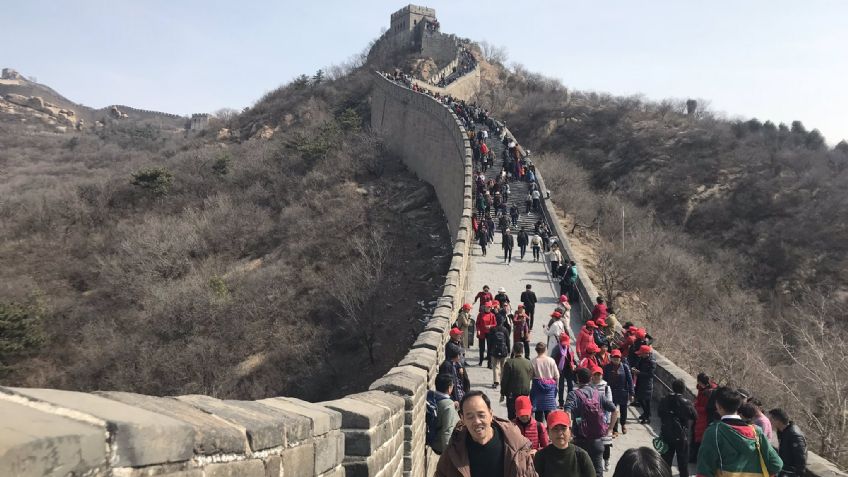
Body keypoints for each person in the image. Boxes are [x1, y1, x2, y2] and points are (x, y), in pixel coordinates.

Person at [435, 391, 538, 477]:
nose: (477, 421)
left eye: (481, 415)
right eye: (470, 417)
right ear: (462, 419)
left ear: (491, 414)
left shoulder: (515, 444)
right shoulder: (454, 453)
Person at [696, 387, 783, 477]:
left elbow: (704, 470)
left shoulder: (714, 432)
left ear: (718, 406)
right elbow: (776, 464)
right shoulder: (756, 431)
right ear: (738, 406)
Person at [565, 367, 619, 477]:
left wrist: (569, 431)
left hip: (580, 440)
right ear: (590, 379)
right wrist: (610, 429)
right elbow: (615, 411)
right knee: (597, 472)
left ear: (577, 379)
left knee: (579, 471)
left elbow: (567, 413)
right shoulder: (598, 394)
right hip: (597, 441)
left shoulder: (573, 395)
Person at [534, 410, 596, 477]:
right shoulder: (541, 456)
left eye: (563, 429)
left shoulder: (581, 456)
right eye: (555, 429)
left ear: (570, 431)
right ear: (548, 432)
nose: (560, 433)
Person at [657, 379, 697, 477]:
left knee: (666, 462)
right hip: (681, 436)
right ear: (683, 389)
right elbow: (695, 416)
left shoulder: (664, 399)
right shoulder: (686, 402)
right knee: (682, 463)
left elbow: (659, 413)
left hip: (666, 433)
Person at [768, 408, 807, 476]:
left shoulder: (794, 434)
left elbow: (801, 459)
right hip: (784, 470)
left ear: (778, 421)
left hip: (790, 473)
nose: (769, 422)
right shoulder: (782, 431)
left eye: (771, 419)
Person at [590, 366, 616, 472]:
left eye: (599, 374)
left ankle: (606, 460)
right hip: (592, 418)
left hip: (604, 419)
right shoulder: (589, 386)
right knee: (594, 442)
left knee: (606, 442)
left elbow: (610, 404)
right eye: (595, 374)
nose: (597, 376)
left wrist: (608, 421)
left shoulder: (606, 387)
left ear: (602, 375)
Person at [603, 349, 634, 435]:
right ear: (611, 358)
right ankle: (614, 428)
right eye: (614, 358)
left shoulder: (625, 367)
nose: (616, 360)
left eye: (618, 358)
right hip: (612, 392)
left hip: (623, 392)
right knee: (614, 410)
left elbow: (630, 380)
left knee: (624, 410)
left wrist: (631, 393)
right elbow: (604, 380)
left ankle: (623, 424)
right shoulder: (606, 367)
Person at [428, 373, 460, 455]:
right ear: (449, 388)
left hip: (432, 438)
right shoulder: (448, 406)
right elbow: (447, 431)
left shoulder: (431, 395)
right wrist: (447, 455)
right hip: (440, 444)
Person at [501, 342, 534, 420]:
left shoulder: (509, 362)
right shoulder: (528, 362)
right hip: (525, 393)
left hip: (512, 393)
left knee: (512, 415)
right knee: (523, 415)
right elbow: (530, 376)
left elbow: (505, 380)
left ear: (513, 351)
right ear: (522, 351)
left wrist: (502, 393)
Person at [531, 342, 560, 424]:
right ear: (545, 349)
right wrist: (555, 386)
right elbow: (557, 375)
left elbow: (531, 375)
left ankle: (539, 431)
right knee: (549, 412)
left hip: (538, 388)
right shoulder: (551, 360)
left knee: (538, 412)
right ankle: (549, 432)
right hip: (550, 388)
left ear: (536, 350)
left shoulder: (533, 361)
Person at [691, 372, 718, 462]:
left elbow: (708, 408)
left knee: (700, 439)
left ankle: (697, 458)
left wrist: (696, 408)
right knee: (695, 436)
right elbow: (699, 400)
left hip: (705, 417)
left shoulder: (711, 393)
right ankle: (693, 456)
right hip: (698, 415)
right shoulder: (701, 389)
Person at [550, 333, 577, 408]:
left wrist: (575, 364)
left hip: (568, 368)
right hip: (560, 369)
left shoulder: (569, 348)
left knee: (570, 385)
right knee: (561, 386)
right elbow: (552, 359)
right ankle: (561, 403)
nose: (565, 345)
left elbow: (572, 357)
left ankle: (569, 401)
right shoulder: (556, 349)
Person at [632, 345, 656, 423]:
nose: (640, 355)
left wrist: (639, 373)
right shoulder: (642, 359)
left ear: (646, 353)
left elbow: (651, 374)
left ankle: (647, 416)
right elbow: (638, 366)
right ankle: (646, 413)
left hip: (647, 384)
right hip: (640, 381)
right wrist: (635, 369)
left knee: (646, 401)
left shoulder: (651, 362)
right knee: (640, 398)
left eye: (641, 353)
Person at [488, 320, 511, 388]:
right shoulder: (505, 330)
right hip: (503, 351)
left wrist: (489, 351)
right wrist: (509, 350)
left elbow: (490, 341)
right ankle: (502, 380)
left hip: (494, 350)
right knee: (503, 366)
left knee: (495, 366)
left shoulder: (493, 329)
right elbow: (508, 340)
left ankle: (496, 381)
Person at [476, 302, 497, 367]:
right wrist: (478, 330)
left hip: (489, 333)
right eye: (487, 307)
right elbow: (477, 323)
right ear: (484, 307)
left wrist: (490, 326)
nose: (488, 308)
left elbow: (495, 324)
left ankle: (489, 363)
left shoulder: (492, 315)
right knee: (481, 348)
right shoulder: (480, 314)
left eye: (489, 307)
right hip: (482, 332)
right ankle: (481, 361)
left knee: (489, 348)